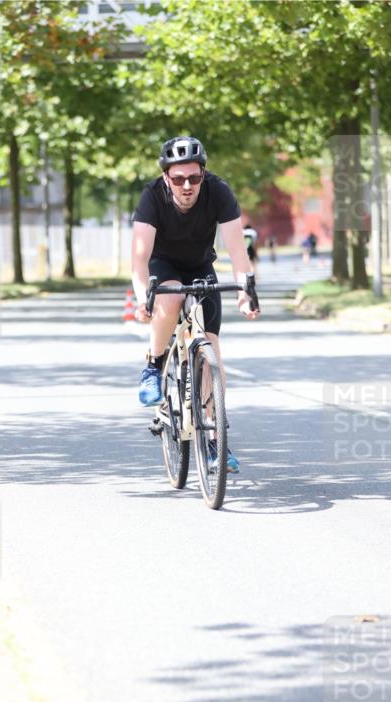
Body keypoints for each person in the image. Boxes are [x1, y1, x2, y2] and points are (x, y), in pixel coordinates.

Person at [131, 136, 259, 474]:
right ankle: (154, 367)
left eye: (194, 178)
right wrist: (145, 296)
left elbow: (237, 252)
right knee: (171, 296)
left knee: (212, 350)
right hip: (163, 269)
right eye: (178, 179)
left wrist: (245, 294)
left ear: (203, 174)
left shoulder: (219, 192)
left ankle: (217, 441)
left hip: (202, 269)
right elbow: (139, 260)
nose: (187, 186)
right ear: (165, 179)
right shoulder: (151, 197)